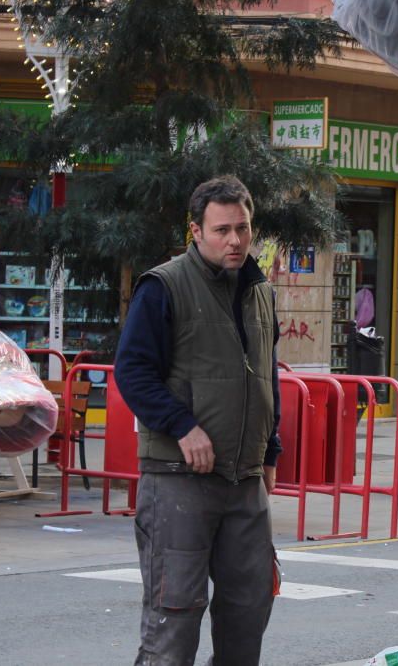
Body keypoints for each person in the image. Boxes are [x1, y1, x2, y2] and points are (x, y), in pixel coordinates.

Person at [116, 175, 281, 666]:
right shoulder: (162, 286)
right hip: (178, 481)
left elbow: (266, 378)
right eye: (222, 229)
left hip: (244, 480)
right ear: (196, 231)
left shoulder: (260, 293)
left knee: (248, 612)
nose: (234, 240)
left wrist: (269, 452)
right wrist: (182, 426)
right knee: (175, 619)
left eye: (243, 228)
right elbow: (132, 371)